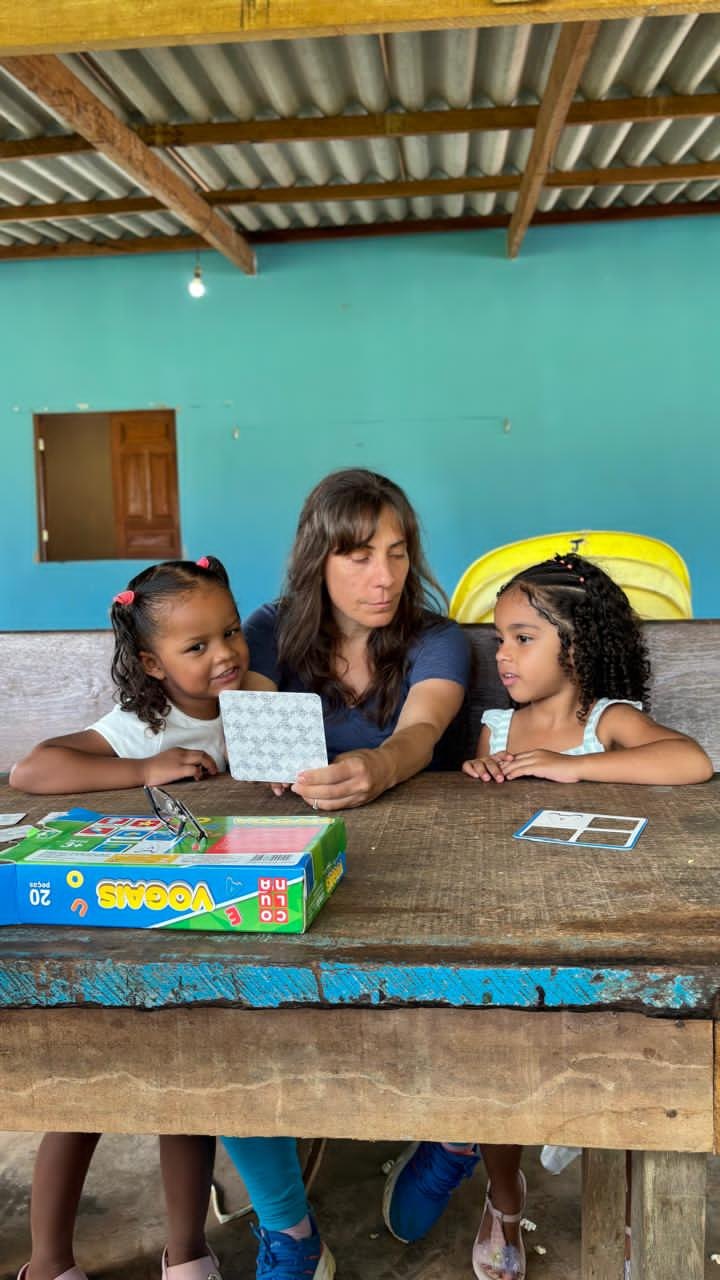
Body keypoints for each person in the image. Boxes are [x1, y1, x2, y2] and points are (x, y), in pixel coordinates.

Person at [383, 552, 713, 1280]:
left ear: (580, 643)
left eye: (523, 637)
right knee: (492, 1046)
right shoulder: (497, 727)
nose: (503, 655)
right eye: (499, 639)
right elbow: (487, 823)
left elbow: (689, 762)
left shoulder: (608, 721)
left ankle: (625, 1217)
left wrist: (571, 765)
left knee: (620, 1066)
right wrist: (482, 775)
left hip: (603, 933)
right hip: (511, 928)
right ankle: (502, 1195)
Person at [221, 467, 471, 1278]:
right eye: (360, 555)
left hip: (425, 877)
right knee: (215, 1016)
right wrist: (259, 748)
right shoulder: (267, 627)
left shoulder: (437, 639)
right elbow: (250, 712)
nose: (384, 576)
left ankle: (451, 1138)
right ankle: (289, 1228)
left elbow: (425, 729)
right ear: (317, 559)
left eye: (397, 553)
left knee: (482, 1008)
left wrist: (380, 766)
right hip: (293, 870)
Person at [11, 556, 248, 1280]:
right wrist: (144, 770)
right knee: (85, 1091)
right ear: (151, 662)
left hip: (200, 931)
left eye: (232, 633)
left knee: (188, 1085)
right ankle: (48, 1262)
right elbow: (33, 772)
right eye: (197, 646)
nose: (226, 655)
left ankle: (187, 1250)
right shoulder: (142, 723)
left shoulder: (255, 697)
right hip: (112, 937)